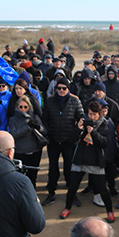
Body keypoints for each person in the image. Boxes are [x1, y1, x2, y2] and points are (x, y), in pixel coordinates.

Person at [58, 101, 115, 223]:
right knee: (73, 187)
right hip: (80, 158)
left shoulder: (104, 124)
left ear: (99, 114)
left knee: (102, 188)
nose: (91, 117)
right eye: (89, 114)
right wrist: (78, 129)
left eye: (94, 114)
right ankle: (67, 207)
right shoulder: (82, 122)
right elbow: (72, 140)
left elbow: (105, 142)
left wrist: (93, 132)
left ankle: (110, 211)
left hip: (95, 159)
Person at [41, 78, 84, 206]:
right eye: (58, 88)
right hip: (53, 140)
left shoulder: (75, 101)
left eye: (64, 88)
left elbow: (81, 118)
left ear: (68, 89)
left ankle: (72, 194)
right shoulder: (49, 101)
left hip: (68, 141)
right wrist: (48, 134)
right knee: (53, 168)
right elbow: (45, 119)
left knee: (69, 169)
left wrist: (74, 134)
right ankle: (51, 193)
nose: (61, 90)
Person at [8, 95, 46, 188]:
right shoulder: (13, 119)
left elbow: (44, 131)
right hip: (21, 151)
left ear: (29, 107)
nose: (23, 109)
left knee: (33, 175)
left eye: (25, 107)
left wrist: (38, 127)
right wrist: (27, 127)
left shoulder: (35, 117)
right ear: (17, 107)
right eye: (20, 107)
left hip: (35, 150)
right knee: (21, 176)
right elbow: (14, 134)